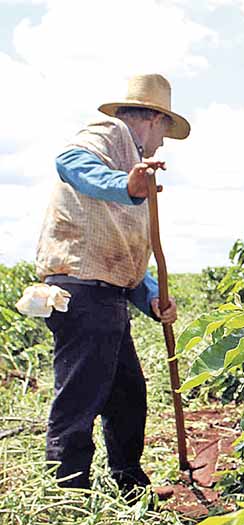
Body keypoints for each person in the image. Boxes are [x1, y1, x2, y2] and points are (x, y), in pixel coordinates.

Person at [34, 73, 191, 494]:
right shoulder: (110, 132)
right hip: (82, 290)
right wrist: (123, 184)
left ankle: (128, 482)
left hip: (108, 295)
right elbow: (70, 161)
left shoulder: (137, 163)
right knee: (81, 396)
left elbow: (126, 256)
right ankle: (67, 492)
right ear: (153, 119)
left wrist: (155, 298)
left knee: (127, 395)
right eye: (165, 132)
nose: (162, 142)